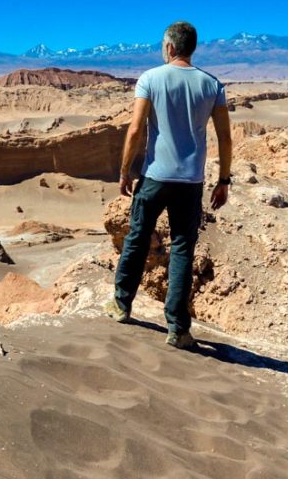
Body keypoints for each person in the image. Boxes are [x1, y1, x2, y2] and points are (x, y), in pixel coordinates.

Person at [105, 21, 233, 349]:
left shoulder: (150, 78)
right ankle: (177, 328)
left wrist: (124, 172)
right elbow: (224, 137)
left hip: (155, 177)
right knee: (182, 249)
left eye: (162, 44)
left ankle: (121, 305)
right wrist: (223, 180)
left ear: (171, 47)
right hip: (190, 182)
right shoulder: (213, 85)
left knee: (136, 237)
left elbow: (135, 131)